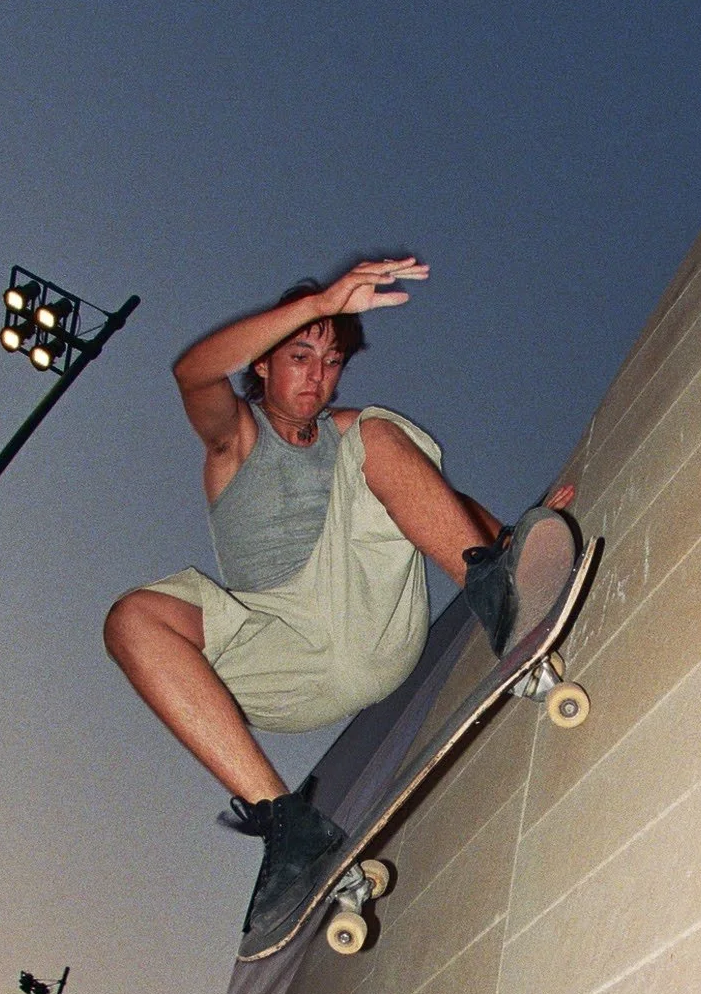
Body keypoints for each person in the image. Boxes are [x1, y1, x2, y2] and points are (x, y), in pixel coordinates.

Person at [105, 258, 576, 954]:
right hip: (279, 654)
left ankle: (498, 598)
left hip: (370, 621)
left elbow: (426, 497)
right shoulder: (233, 438)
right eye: (299, 357)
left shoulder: (351, 433)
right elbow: (192, 374)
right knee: (131, 618)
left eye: (329, 362)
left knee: (377, 432)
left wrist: (512, 540)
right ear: (262, 364)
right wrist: (317, 302)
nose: (316, 378)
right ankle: (290, 829)